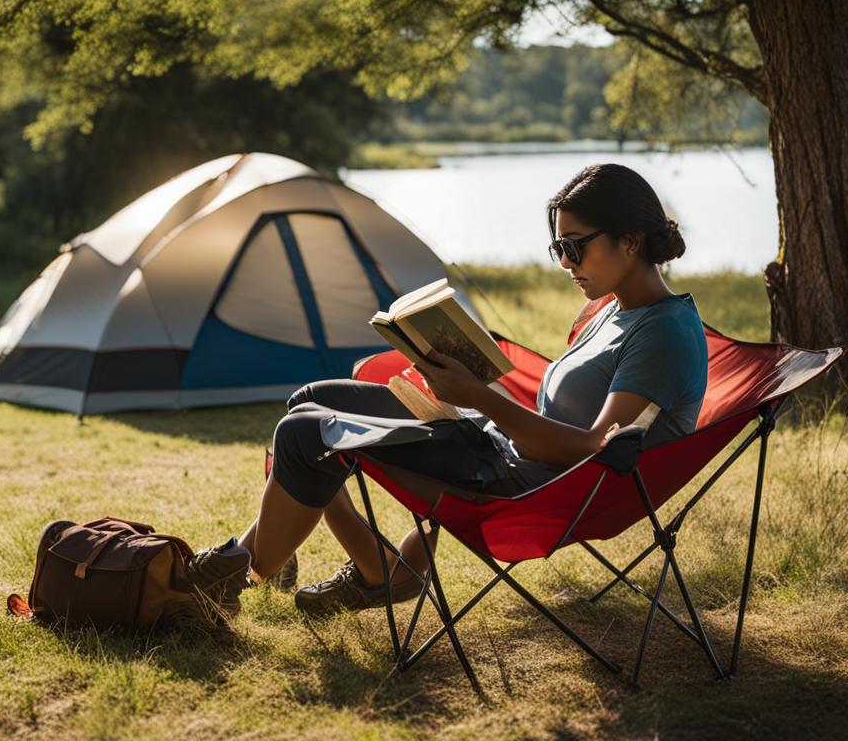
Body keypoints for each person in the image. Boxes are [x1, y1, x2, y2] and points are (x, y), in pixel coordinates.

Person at [187, 163, 709, 619]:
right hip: (490, 444)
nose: (565, 263)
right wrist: (461, 383)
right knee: (311, 402)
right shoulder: (613, 308)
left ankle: (239, 574)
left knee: (304, 436)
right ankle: (363, 569)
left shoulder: (662, 334)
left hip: (518, 486)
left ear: (631, 241)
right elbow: (563, 412)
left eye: (574, 247)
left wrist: (480, 398)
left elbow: (595, 450)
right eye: (557, 248)